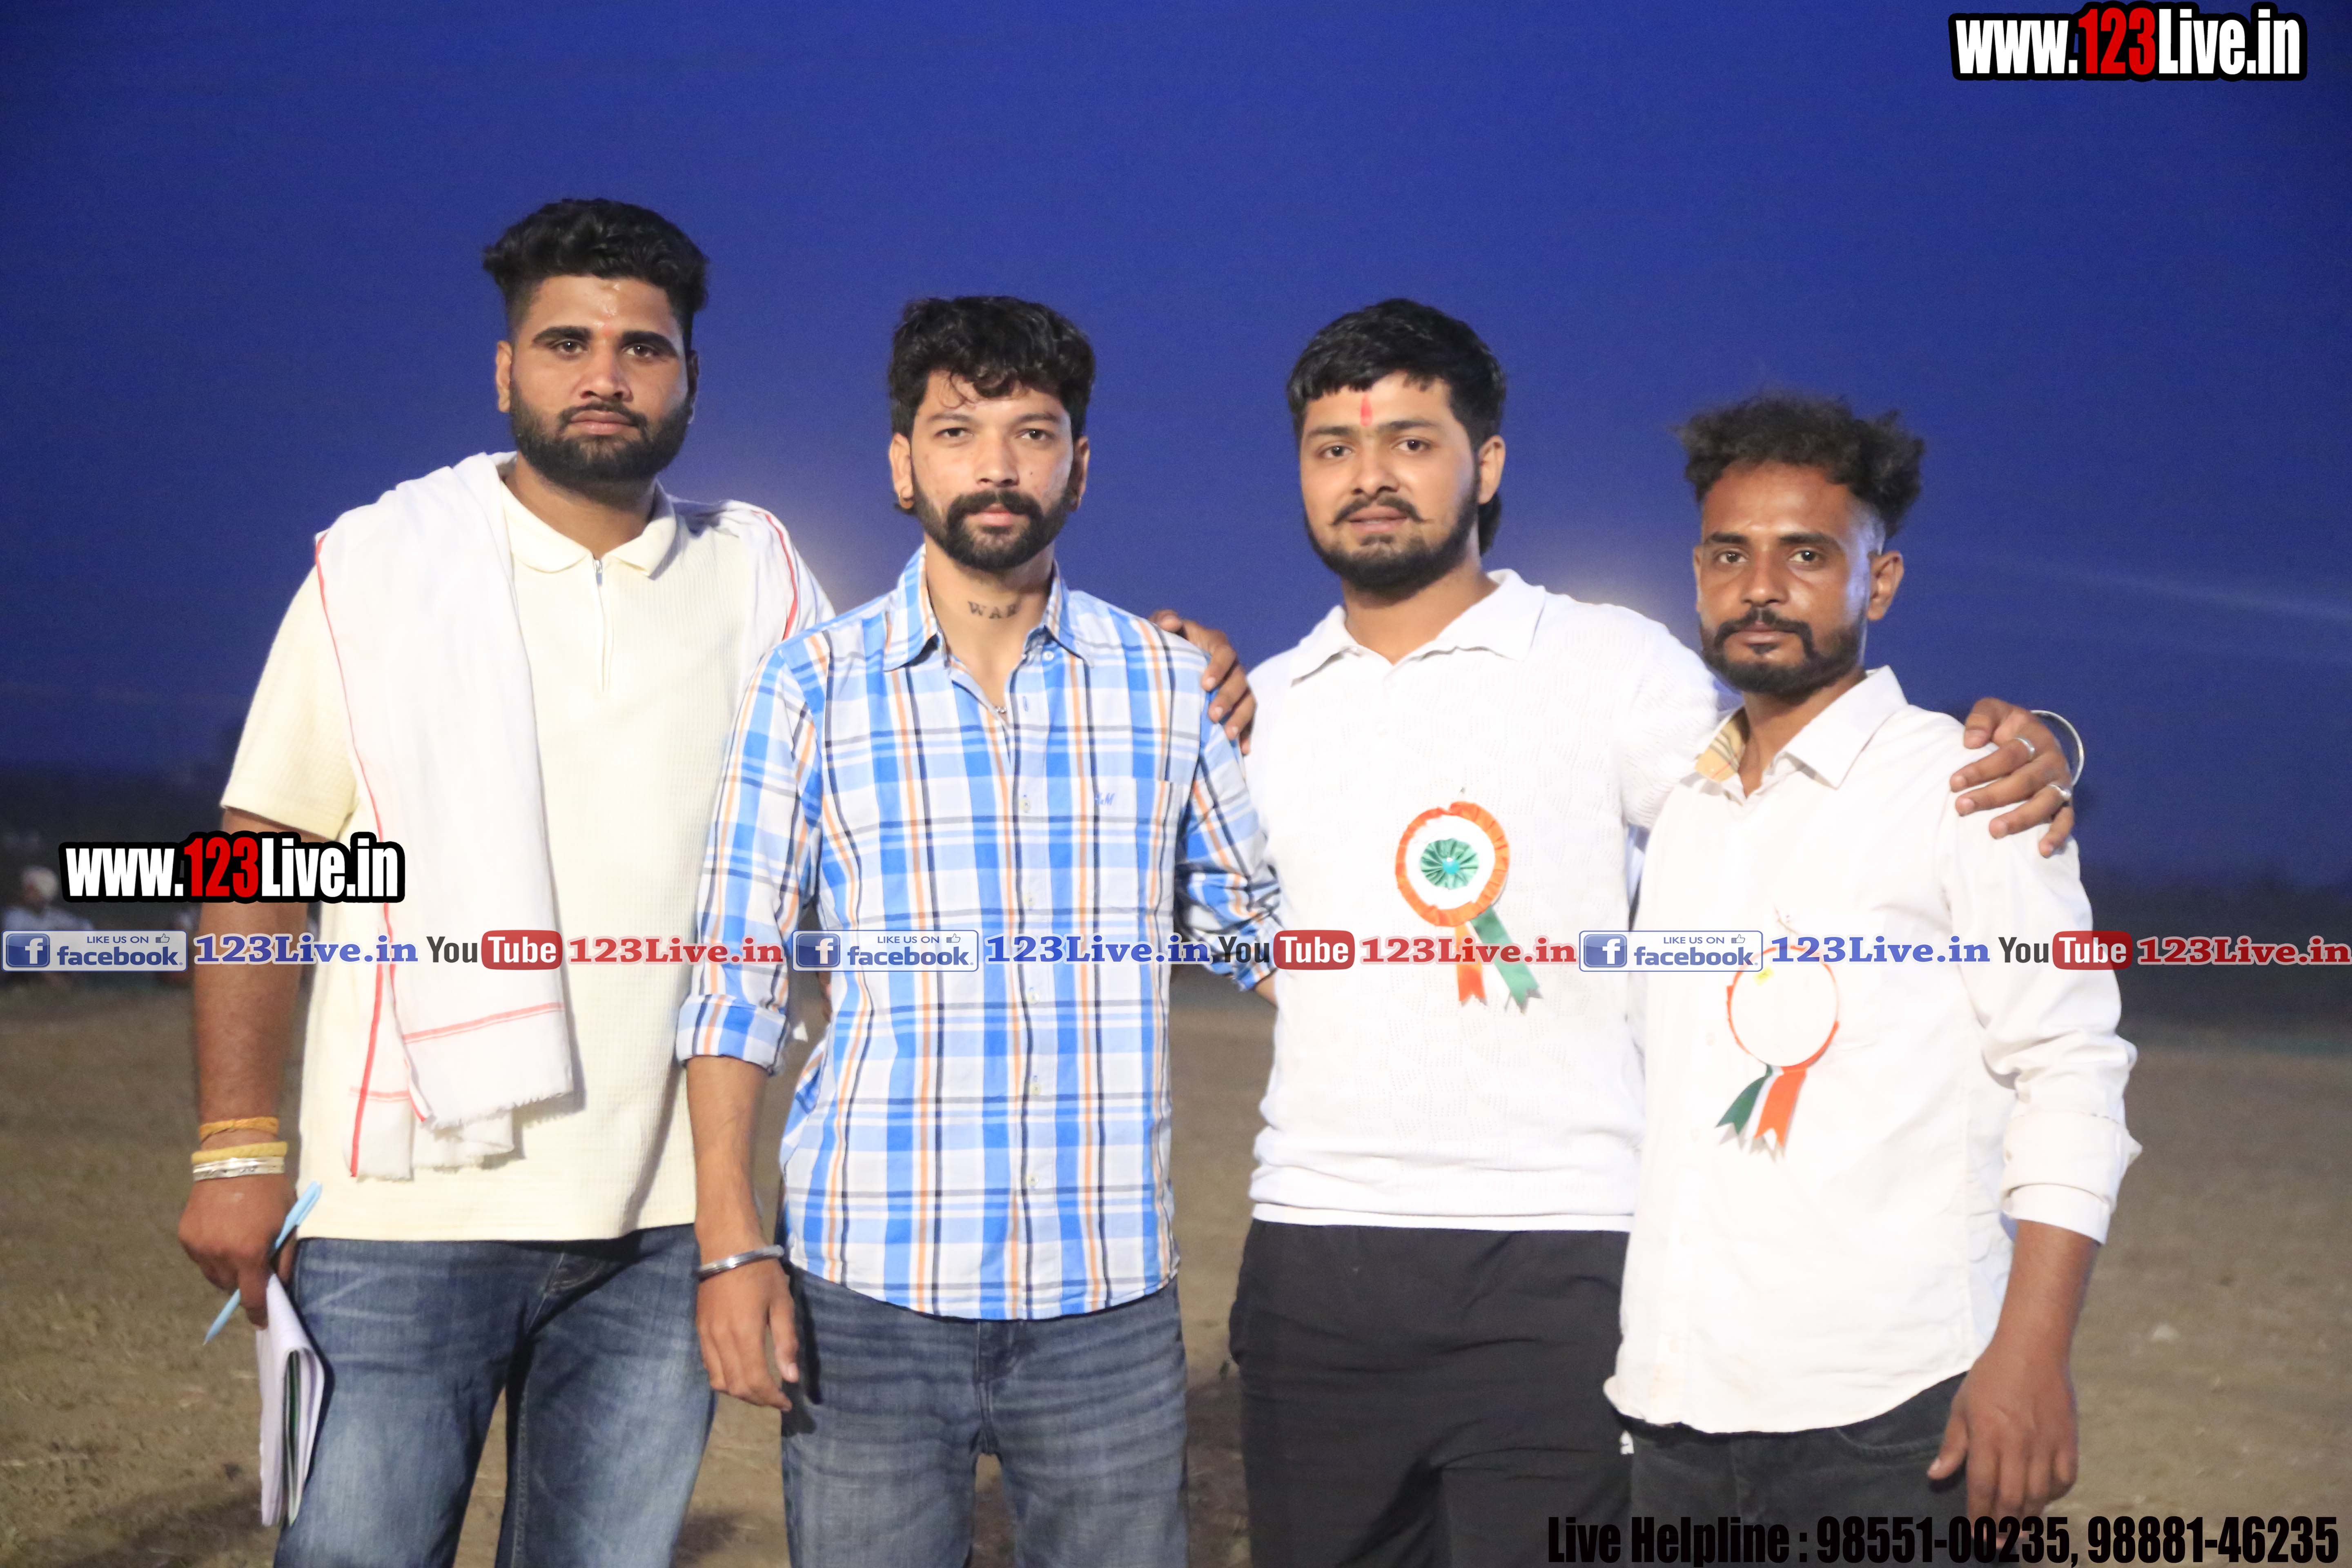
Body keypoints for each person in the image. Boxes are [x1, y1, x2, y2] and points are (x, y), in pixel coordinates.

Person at [1230, 302, 2079, 1567]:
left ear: (1486, 463)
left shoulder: (1615, 665)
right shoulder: (1260, 709)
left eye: (1411, 441)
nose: (1370, 477)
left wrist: (2033, 745)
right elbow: (1226, 923)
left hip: (1565, 1257)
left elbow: (1795, 767)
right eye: (1334, 448)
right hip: (1313, 1247)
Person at [177, 198, 835, 1568]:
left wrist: (1175, 666)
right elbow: (254, 857)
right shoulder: (382, 566)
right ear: (505, 370)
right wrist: (236, 1149)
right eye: (566, 343)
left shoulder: (760, 573)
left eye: (643, 348)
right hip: (405, 1206)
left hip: (663, 1219)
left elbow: (890, 772)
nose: (606, 376)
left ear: (690, 378)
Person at [677, 295, 1281, 1568]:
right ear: (904, 464)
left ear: (1080, 466)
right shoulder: (810, 685)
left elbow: (1262, 938)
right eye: (958, 431)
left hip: (1107, 1293)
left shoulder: (1165, 683)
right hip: (866, 1289)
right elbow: (734, 979)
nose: (998, 465)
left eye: (1034, 433)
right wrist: (731, 1243)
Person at [1609, 393, 2137, 1523]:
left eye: (1806, 554)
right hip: (1676, 1406)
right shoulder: (1685, 809)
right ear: (1697, 573)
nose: (1761, 588)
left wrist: (2031, 1356)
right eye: (1730, 554)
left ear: (1879, 582)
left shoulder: (1968, 787)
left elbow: (2071, 1068)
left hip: (1892, 1417)